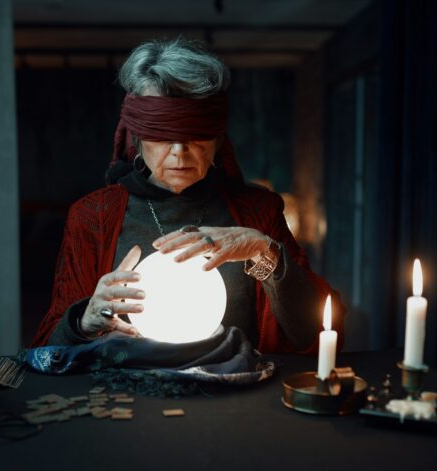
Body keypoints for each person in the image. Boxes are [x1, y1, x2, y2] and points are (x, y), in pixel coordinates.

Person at [32, 38, 344, 355]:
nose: (180, 152)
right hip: (127, 399)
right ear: (137, 136)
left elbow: (315, 335)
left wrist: (266, 253)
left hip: (236, 397)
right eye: (161, 134)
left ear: (218, 138)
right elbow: (48, 350)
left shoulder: (258, 211)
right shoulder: (93, 216)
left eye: (195, 134)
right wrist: (84, 321)